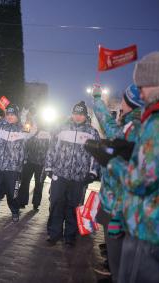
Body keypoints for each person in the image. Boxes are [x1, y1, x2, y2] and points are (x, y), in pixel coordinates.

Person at [106, 52, 159, 283]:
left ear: (157, 82)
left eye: (142, 86)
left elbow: (139, 182)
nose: (140, 93)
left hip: (149, 230)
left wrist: (113, 162)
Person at [91, 84, 143, 282]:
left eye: (123, 99)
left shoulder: (133, 127)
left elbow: (108, 125)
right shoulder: (134, 123)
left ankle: (117, 275)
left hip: (118, 204)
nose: (121, 102)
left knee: (117, 249)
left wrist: (97, 98)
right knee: (117, 248)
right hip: (119, 201)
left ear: (130, 103)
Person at [44, 101, 100, 246]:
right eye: (75, 113)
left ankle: (70, 236)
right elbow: (52, 148)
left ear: (85, 116)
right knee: (56, 203)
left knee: (73, 206)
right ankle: (54, 234)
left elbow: (96, 154)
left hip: (79, 176)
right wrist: (49, 167)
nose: (77, 117)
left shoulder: (91, 132)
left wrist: (92, 171)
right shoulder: (61, 128)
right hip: (60, 173)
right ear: (72, 114)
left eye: (81, 114)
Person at [0, 93, 37, 230]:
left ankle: (15, 210)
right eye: (8, 114)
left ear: (17, 116)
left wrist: (29, 112)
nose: (10, 116)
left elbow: (34, 129)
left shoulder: (23, 129)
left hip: (13, 169)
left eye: (13, 114)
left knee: (12, 194)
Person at [18, 110, 51, 211]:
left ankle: (36, 204)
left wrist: (48, 163)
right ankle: (22, 201)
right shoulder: (31, 129)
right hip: (29, 161)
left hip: (41, 163)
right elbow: (25, 140)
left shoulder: (49, 133)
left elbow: (50, 149)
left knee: (39, 183)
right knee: (24, 182)